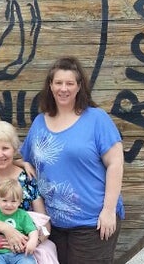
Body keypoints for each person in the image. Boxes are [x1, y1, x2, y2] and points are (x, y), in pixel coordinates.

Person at [19, 56, 125, 263]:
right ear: (50, 86)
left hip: (92, 223)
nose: (63, 89)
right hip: (54, 226)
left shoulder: (96, 118)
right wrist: (23, 163)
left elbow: (115, 164)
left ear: (79, 87)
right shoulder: (40, 122)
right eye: (58, 83)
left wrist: (109, 210)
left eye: (69, 83)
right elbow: (26, 158)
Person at [0, 120, 54, 264]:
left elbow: (45, 223)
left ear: (14, 149)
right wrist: (6, 229)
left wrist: (34, 242)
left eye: (5, 148)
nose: (0, 154)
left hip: (22, 247)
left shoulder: (27, 178)